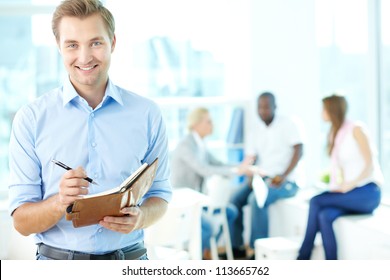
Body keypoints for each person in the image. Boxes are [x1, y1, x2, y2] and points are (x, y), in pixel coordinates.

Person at [8, 0, 172, 260]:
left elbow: (160, 196)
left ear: (113, 43)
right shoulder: (30, 119)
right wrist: (60, 202)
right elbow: (21, 222)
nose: (84, 57)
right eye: (72, 45)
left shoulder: (147, 114)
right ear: (59, 48)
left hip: (130, 262)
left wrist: (140, 218)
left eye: (96, 43)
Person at [297, 94, 382, 260]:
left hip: (367, 192)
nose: (322, 113)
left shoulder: (356, 129)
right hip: (350, 193)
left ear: (332, 110)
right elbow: (341, 170)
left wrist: (350, 184)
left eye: (324, 109)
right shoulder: (335, 134)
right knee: (324, 216)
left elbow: (370, 163)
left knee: (316, 201)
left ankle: (302, 258)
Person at [230, 92, 304, 259]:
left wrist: (284, 175)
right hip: (262, 179)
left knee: (256, 200)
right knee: (234, 199)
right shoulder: (255, 130)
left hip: (286, 180)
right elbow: (251, 157)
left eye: (266, 107)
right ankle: (237, 248)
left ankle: (257, 251)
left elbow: (299, 150)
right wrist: (247, 171)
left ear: (275, 107)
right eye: (260, 107)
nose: (263, 111)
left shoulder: (288, 123)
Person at [170, 107, 240, 260]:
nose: (212, 124)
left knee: (231, 212)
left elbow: (219, 163)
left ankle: (205, 249)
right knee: (209, 227)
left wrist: (239, 168)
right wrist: (235, 172)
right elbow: (204, 169)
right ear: (196, 124)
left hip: (198, 200)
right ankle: (196, 258)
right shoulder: (186, 145)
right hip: (183, 202)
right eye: (208, 121)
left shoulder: (201, 144)